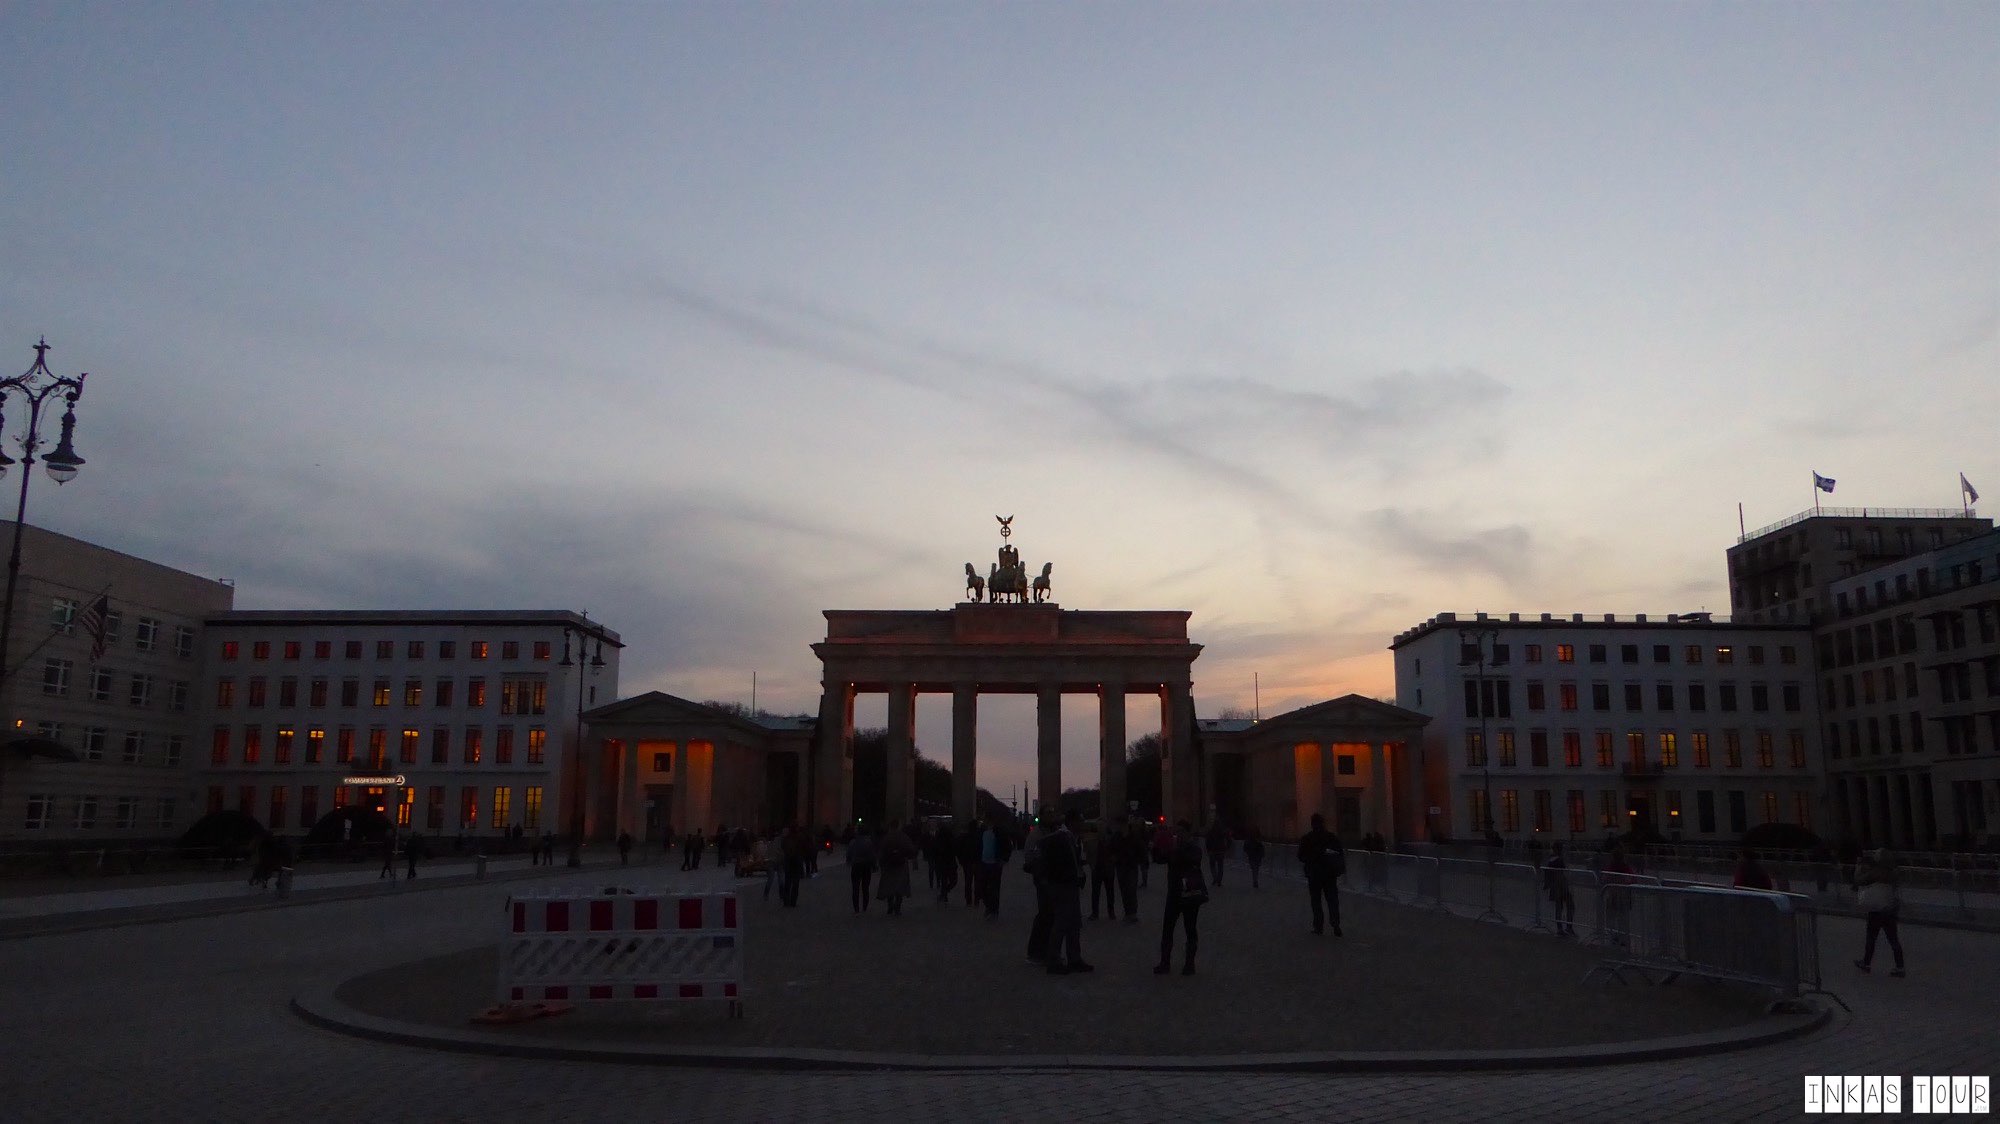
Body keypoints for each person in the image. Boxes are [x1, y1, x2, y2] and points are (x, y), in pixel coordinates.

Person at [1156, 819, 1208, 975]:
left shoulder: (1193, 848)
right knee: (1168, 929)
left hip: (1189, 894)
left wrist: (1176, 851)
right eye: (1176, 832)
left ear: (1187, 833)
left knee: (1190, 929)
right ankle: (1165, 963)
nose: (1177, 835)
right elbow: (1160, 859)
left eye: (1180, 832)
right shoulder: (1176, 847)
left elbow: (1192, 860)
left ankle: (1189, 964)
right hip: (1175, 893)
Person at [1043, 811, 1091, 974]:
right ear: (1072, 822)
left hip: (1068, 884)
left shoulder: (1068, 837)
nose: (1084, 824)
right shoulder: (1063, 838)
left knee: (1074, 922)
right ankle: (1054, 960)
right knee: (1062, 923)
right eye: (1081, 820)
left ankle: (1074, 958)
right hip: (1063, 885)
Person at [1853, 848, 1906, 977]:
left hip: (1877, 910)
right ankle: (1900, 967)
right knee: (1893, 939)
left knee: (1871, 938)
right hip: (1889, 909)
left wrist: (1858, 866)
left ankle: (1866, 963)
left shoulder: (1876, 872)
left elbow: (1859, 880)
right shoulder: (1892, 872)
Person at [1298, 813, 1344, 936]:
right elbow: (1339, 853)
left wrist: (1310, 859)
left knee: (1316, 901)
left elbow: (1300, 856)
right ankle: (1335, 923)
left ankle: (1318, 926)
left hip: (1314, 874)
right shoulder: (1331, 837)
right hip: (1329, 874)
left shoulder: (1307, 839)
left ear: (1312, 824)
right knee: (1332, 900)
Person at [877, 821, 917, 916]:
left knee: (889, 886)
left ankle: (890, 905)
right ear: (899, 826)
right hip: (901, 864)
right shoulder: (903, 837)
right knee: (900, 886)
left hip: (888, 865)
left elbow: (881, 851)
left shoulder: (886, 837)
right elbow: (911, 849)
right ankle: (897, 907)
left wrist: (881, 863)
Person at [980, 817, 1012, 918]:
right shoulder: (982, 832)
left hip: (995, 863)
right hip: (984, 862)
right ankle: (989, 906)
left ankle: (993, 910)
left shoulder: (999, 832)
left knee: (994, 888)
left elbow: (1007, 846)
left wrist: (1003, 859)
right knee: (983, 887)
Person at [1544, 841, 1576, 937]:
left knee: (1559, 907)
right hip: (1561, 885)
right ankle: (1568, 927)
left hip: (1555, 885)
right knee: (1570, 905)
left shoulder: (1550, 860)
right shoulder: (1559, 860)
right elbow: (1563, 870)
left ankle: (1560, 928)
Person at [1114, 817, 1142, 923]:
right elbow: (1111, 848)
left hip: (1131, 866)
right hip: (1121, 866)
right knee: (1124, 891)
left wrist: (1137, 860)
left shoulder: (1134, 836)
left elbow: (1141, 849)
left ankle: (1133, 913)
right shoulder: (1117, 836)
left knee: (1131, 890)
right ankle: (1128, 913)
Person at [1088, 821, 1118, 921]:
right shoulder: (1094, 839)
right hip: (1098, 868)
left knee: (1108, 892)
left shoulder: (1110, 839)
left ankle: (1109, 911)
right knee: (1098, 892)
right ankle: (1097, 912)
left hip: (1106, 868)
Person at [847, 826, 878, 913]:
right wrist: (874, 865)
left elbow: (849, 853)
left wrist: (849, 861)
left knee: (855, 887)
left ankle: (856, 908)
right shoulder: (869, 842)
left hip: (856, 865)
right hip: (866, 866)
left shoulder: (853, 842)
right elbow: (872, 855)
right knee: (865, 887)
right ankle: (864, 906)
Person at [779, 825, 807, 907]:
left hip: (788, 862)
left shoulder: (786, 839)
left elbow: (783, 847)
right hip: (796, 862)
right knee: (795, 884)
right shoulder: (800, 838)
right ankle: (793, 901)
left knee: (788, 883)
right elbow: (803, 849)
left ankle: (786, 901)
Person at [1204, 821, 1229, 887]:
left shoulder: (1210, 832)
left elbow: (1207, 842)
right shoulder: (1222, 832)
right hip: (1220, 851)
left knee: (1212, 865)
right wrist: (1225, 848)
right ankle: (1219, 880)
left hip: (1212, 851)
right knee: (1220, 866)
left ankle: (1215, 878)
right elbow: (1226, 840)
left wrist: (1208, 850)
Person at [1243, 826, 1266, 890]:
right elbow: (1262, 847)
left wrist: (1247, 852)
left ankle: (1255, 879)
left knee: (1254, 868)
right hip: (1257, 855)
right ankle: (1255, 879)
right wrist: (1262, 854)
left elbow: (1245, 847)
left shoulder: (1249, 839)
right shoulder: (1258, 839)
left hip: (1252, 855)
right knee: (1256, 868)